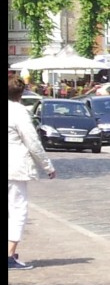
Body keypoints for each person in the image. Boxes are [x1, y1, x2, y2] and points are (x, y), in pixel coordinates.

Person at [9, 73, 56, 269]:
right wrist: (48, 166)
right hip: (14, 167)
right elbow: (33, 142)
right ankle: (9, 254)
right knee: (18, 209)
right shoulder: (19, 112)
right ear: (22, 93)